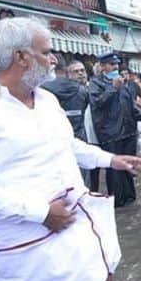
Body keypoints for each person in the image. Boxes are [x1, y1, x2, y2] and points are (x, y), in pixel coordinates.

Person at [0, 17, 141, 281]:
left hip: (73, 215)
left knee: (102, 278)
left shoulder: (46, 99)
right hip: (20, 233)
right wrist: (40, 212)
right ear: (21, 57)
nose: (53, 59)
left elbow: (67, 145)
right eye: (46, 51)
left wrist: (111, 160)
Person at [89, 52, 141, 207]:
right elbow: (98, 104)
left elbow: (130, 105)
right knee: (114, 168)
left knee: (129, 166)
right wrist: (113, 88)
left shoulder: (123, 83)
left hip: (128, 131)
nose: (115, 67)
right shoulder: (96, 83)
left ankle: (129, 197)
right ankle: (117, 201)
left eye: (116, 64)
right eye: (111, 64)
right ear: (102, 67)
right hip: (110, 133)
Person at [42, 57, 93, 187]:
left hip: (55, 140)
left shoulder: (43, 90)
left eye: (82, 71)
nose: (81, 74)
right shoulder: (83, 92)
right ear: (66, 73)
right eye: (76, 71)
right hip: (77, 137)